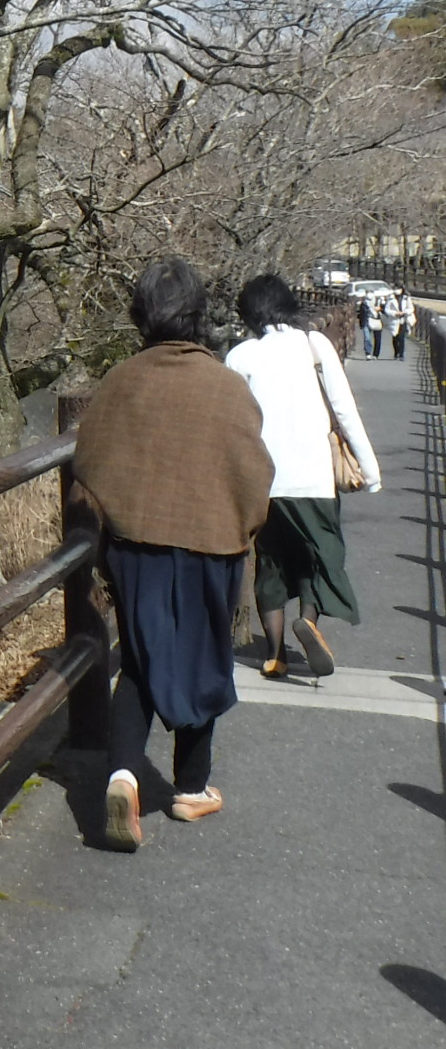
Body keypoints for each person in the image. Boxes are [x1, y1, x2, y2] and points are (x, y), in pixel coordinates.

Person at [73, 257, 273, 852]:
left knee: (139, 659)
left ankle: (123, 776)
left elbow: (90, 463)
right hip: (212, 543)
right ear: (199, 315)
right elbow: (254, 473)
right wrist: (240, 527)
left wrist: (119, 522)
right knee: (203, 655)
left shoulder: (121, 380)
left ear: (142, 316)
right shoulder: (226, 386)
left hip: (135, 547)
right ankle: (190, 787)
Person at [226, 274, 381, 681]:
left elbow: (232, 422)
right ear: (288, 305)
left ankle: (274, 655)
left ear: (249, 313)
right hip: (313, 477)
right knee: (320, 555)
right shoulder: (314, 344)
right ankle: (309, 622)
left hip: (264, 480)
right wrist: (370, 470)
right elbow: (344, 409)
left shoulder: (240, 356)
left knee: (272, 564)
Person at [391, 288, 415, 361]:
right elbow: (388, 309)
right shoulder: (391, 297)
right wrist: (394, 313)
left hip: (403, 319)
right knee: (395, 337)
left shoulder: (406, 298)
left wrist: (405, 312)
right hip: (394, 319)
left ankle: (401, 354)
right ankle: (396, 352)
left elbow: (411, 308)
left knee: (401, 337)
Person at [357, 293, 375, 358]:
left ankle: (375, 353)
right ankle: (368, 352)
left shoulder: (375, 304)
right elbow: (361, 314)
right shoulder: (363, 305)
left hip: (373, 321)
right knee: (367, 337)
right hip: (366, 322)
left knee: (375, 337)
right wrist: (361, 323)